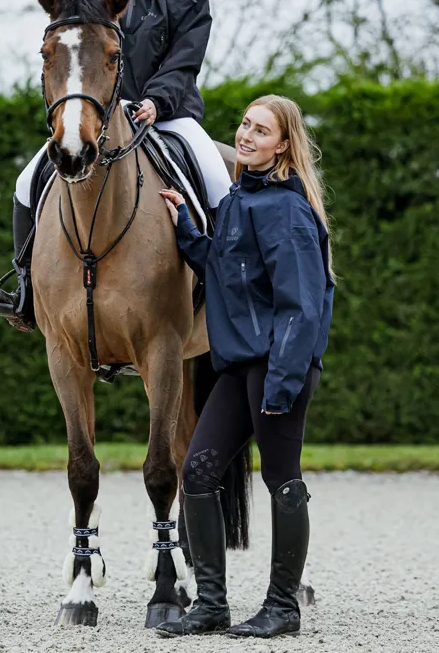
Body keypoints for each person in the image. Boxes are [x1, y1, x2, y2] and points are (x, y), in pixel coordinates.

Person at [0, 0, 230, 331]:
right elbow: (74, 56)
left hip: (168, 116)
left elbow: (186, 59)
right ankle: (25, 288)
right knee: (25, 182)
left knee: (217, 180)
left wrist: (158, 100)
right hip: (100, 116)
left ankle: (226, 280)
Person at [156, 95, 335, 639]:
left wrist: (281, 383)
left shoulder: (287, 208)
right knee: (199, 473)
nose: (246, 135)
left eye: (261, 130)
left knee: (282, 479)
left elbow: (302, 305)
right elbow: (221, 266)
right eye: (244, 124)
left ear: (283, 144)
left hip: (277, 367)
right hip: (239, 366)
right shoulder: (239, 198)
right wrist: (186, 228)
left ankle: (283, 608)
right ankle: (212, 605)